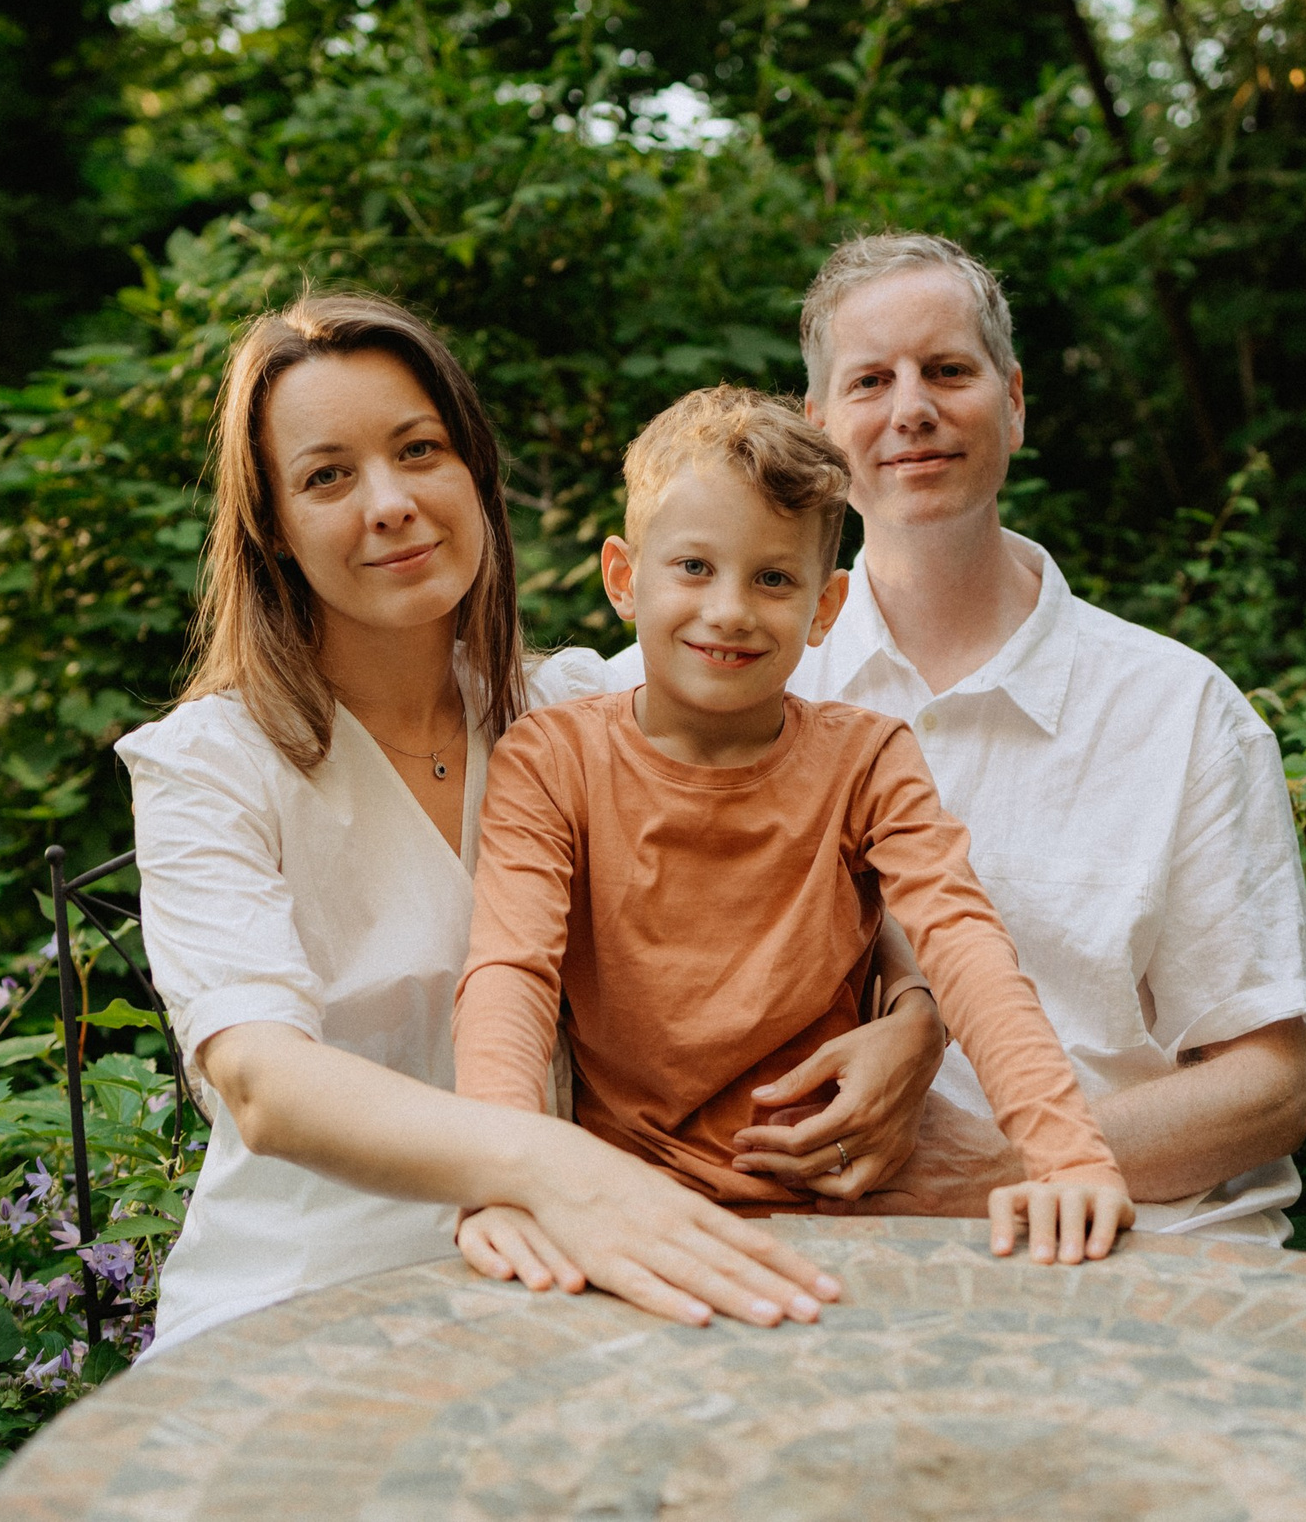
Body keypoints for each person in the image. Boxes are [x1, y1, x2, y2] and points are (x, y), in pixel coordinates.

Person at [115, 293, 946, 1355]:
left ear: (474, 470)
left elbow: (827, 808)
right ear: (271, 525)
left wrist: (915, 1016)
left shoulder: (573, 710)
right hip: (307, 1293)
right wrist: (543, 1163)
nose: (390, 503)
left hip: (576, 1273)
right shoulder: (209, 764)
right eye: (327, 476)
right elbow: (262, 1083)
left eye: (419, 450)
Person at [604, 235, 1306, 1241]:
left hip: (1129, 1249)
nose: (911, 408)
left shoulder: (1181, 712)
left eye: (948, 370)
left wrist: (996, 1165)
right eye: (871, 380)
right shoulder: (705, 670)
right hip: (809, 1248)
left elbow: (1268, 1091)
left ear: (1014, 402)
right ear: (819, 430)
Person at [453, 387, 1136, 1265]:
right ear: (623, 577)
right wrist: (505, 1180)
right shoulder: (552, 759)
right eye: (693, 566)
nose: (730, 609)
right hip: (629, 1212)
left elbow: (965, 943)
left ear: (825, 606)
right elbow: (509, 973)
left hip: (847, 1214)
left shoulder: (868, 760)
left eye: (773, 578)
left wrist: (1068, 1157)